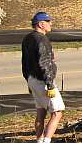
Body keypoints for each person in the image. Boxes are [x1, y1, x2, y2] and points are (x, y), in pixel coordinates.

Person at [21, 12, 64, 143]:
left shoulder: (27, 38)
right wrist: (50, 84)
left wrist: (28, 81)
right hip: (43, 81)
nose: (51, 23)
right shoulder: (42, 39)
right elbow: (44, 63)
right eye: (48, 21)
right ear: (41, 24)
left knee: (41, 111)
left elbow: (25, 62)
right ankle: (46, 140)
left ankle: (39, 140)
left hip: (32, 79)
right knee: (57, 111)